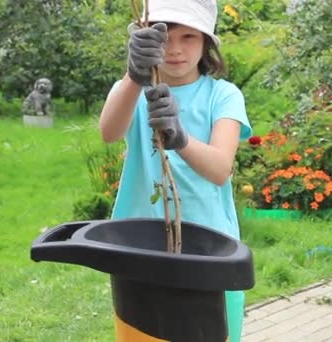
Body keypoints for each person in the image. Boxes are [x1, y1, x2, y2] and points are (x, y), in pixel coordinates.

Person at [98, 0, 252, 340]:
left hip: (208, 248)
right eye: (164, 37)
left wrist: (179, 138)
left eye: (189, 37)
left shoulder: (222, 96)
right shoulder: (132, 92)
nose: (175, 49)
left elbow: (220, 169)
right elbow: (109, 133)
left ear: (206, 43)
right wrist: (134, 76)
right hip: (140, 246)